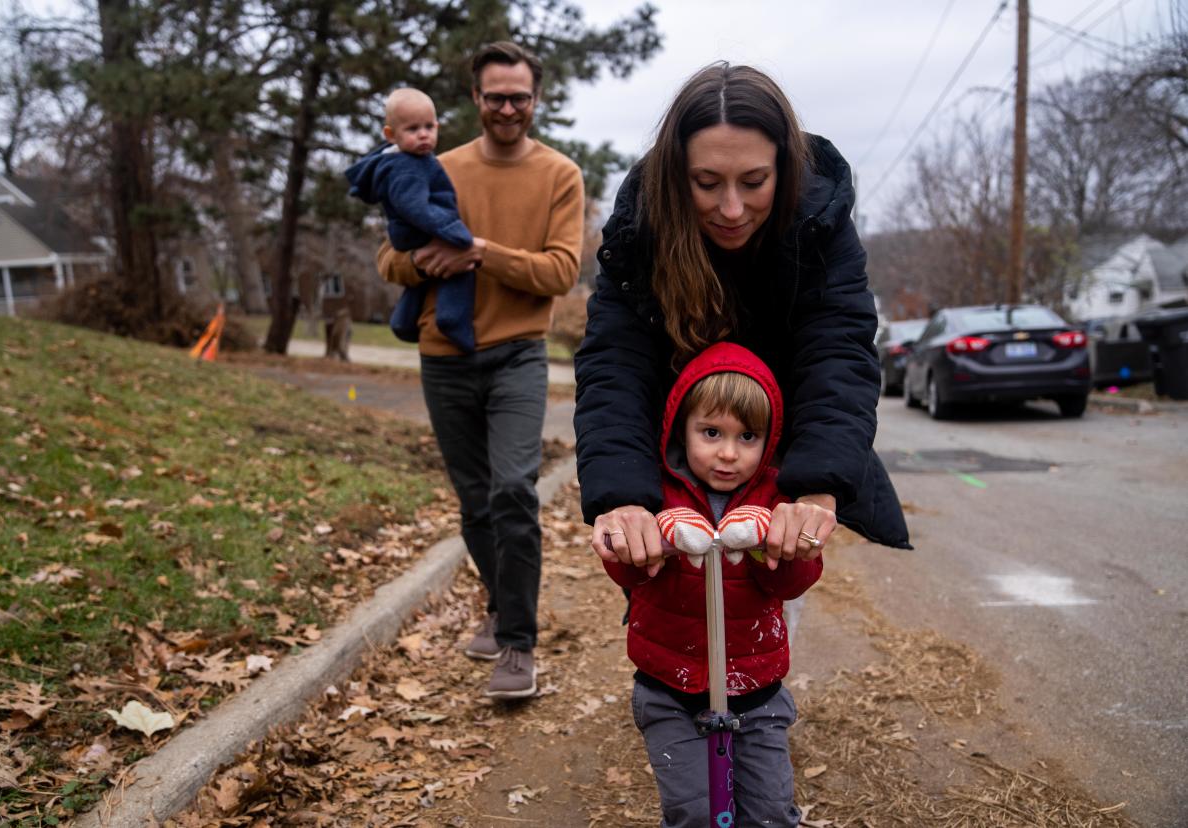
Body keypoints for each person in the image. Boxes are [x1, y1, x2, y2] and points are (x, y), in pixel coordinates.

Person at [574, 62, 911, 823]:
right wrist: (622, 493)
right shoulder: (642, 221)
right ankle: (672, 695)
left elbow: (839, 348)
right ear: (674, 176)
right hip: (677, 431)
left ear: (785, 168)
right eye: (706, 184)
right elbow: (615, 358)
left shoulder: (821, 217)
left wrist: (817, 481)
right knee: (673, 565)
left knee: (770, 569)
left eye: (754, 182)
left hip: (781, 430)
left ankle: (757, 701)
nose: (730, 207)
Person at [377, 41, 585, 700]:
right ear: (476, 98)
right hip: (444, 356)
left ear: (535, 100)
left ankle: (519, 644)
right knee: (474, 501)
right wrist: (425, 262)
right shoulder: (435, 166)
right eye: (495, 96)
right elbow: (391, 258)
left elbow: (560, 271)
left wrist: (480, 251)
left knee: (513, 489)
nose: (507, 108)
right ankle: (500, 606)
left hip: (520, 353)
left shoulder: (560, 174)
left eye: (518, 97)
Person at [600, 341, 820, 826]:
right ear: (683, 428)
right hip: (669, 688)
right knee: (693, 814)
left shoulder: (777, 496)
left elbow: (795, 582)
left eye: (747, 437)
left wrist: (770, 538)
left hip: (756, 689)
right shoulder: (653, 492)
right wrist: (650, 535)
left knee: (768, 813)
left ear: (769, 440)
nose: (727, 453)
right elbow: (627, 572)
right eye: (711, 432)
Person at [345, 87, 476, 352]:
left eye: (429, 126)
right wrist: (454, 232)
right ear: (391, 135)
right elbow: (414, 207)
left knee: (424, 280)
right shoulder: (409, 167)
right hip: (421, 229)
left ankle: (404, 320)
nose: (424, 134)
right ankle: (452, 320)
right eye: (413, 129)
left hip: (410, 232)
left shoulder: (406, 160)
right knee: (460, 267)